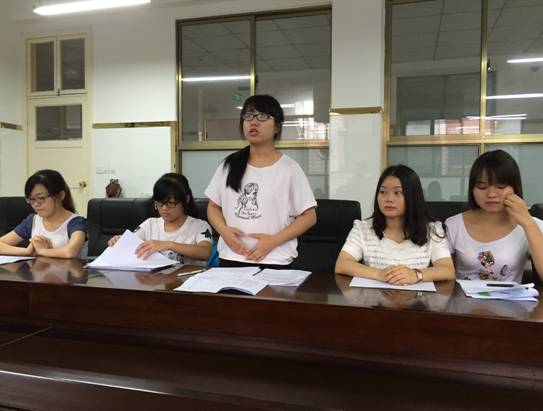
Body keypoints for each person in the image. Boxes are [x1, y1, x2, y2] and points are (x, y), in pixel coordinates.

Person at [205, 94, 317, 268]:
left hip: (274, 260)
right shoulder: (229, 165)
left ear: (277, 127)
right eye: (248, 116)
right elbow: (213, 207)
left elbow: (309, 217)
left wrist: (272, 241)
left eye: (262, 116)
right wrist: (224, 231)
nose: (254, 122)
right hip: (232, 257)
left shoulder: (289, 169)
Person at [335, 165, 454, 284]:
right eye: (383, 192)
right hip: (374, 296)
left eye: (397, 192)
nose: (389, 199)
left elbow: (447, 270)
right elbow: (342, 264)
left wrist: (416, 275)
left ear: (413, 196)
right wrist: (379, 274)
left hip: (416, 296)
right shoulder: (363, 229)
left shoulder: (432, 230)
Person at [446, 150, 543, 283]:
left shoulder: (533, 225)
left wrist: (527, 223)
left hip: (509, 296)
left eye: (500, 186)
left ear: (515, 187)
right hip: (463, 296)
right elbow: (445, 275)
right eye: (482, 187)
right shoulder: (454, 225)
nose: (491, 194)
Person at [108, 173, 212, 265]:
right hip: (154, 279)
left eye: (171, 203)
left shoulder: (199, 226)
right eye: (160, 203)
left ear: (186, 199)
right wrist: (119, 241)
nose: (164, 208)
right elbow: (131, 243)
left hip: (187, 279)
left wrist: (169, 245)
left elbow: (205, 252)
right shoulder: (149, 224)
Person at [0, 169, 87, 258]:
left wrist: (42, 251)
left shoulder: (76, 222)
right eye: (32, 199)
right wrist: (26, 251)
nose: (36, 204)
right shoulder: (33, 221)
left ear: (61, 195)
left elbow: (70, 252)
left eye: (41, 198)